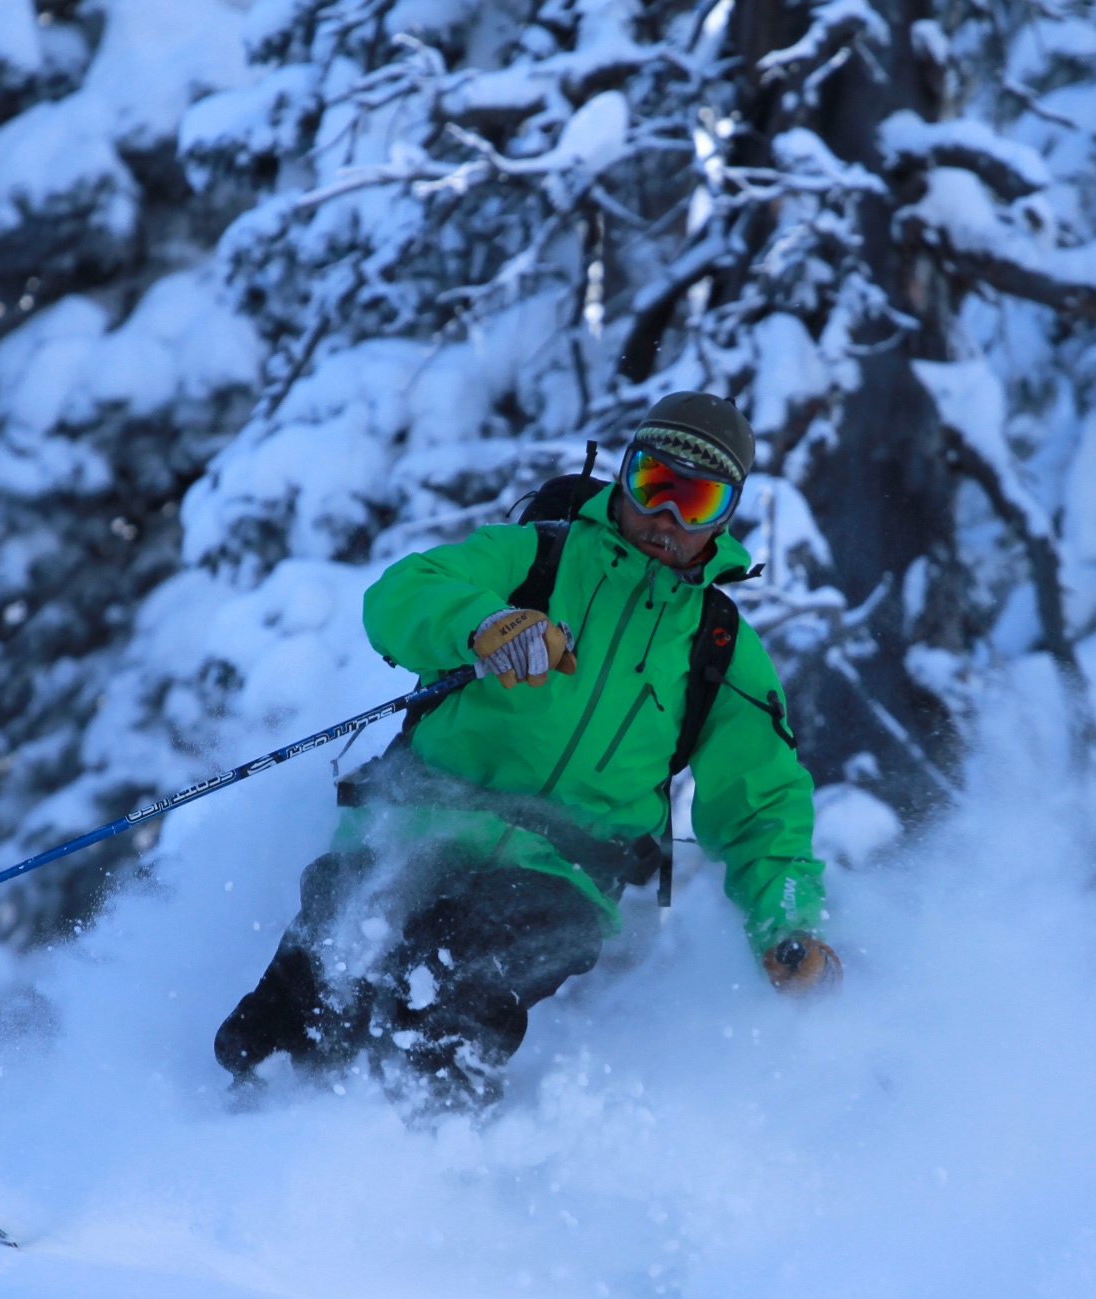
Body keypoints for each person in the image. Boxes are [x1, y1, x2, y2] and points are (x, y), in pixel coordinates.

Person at [214, 392, 841, 1112]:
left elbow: (764, 805)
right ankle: (240, 1125)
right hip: (418, 818)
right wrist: (482, 621)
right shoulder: (535, 558)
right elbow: (401, 594)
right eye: (653, 484)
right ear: (625, 475)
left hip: (564, 869)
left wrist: (787, 924)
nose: (665, 517)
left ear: (723, 517)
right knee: (313, 987)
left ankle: (424, 1143)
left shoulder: (718, 647)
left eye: (694, 500)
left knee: (454, 973)